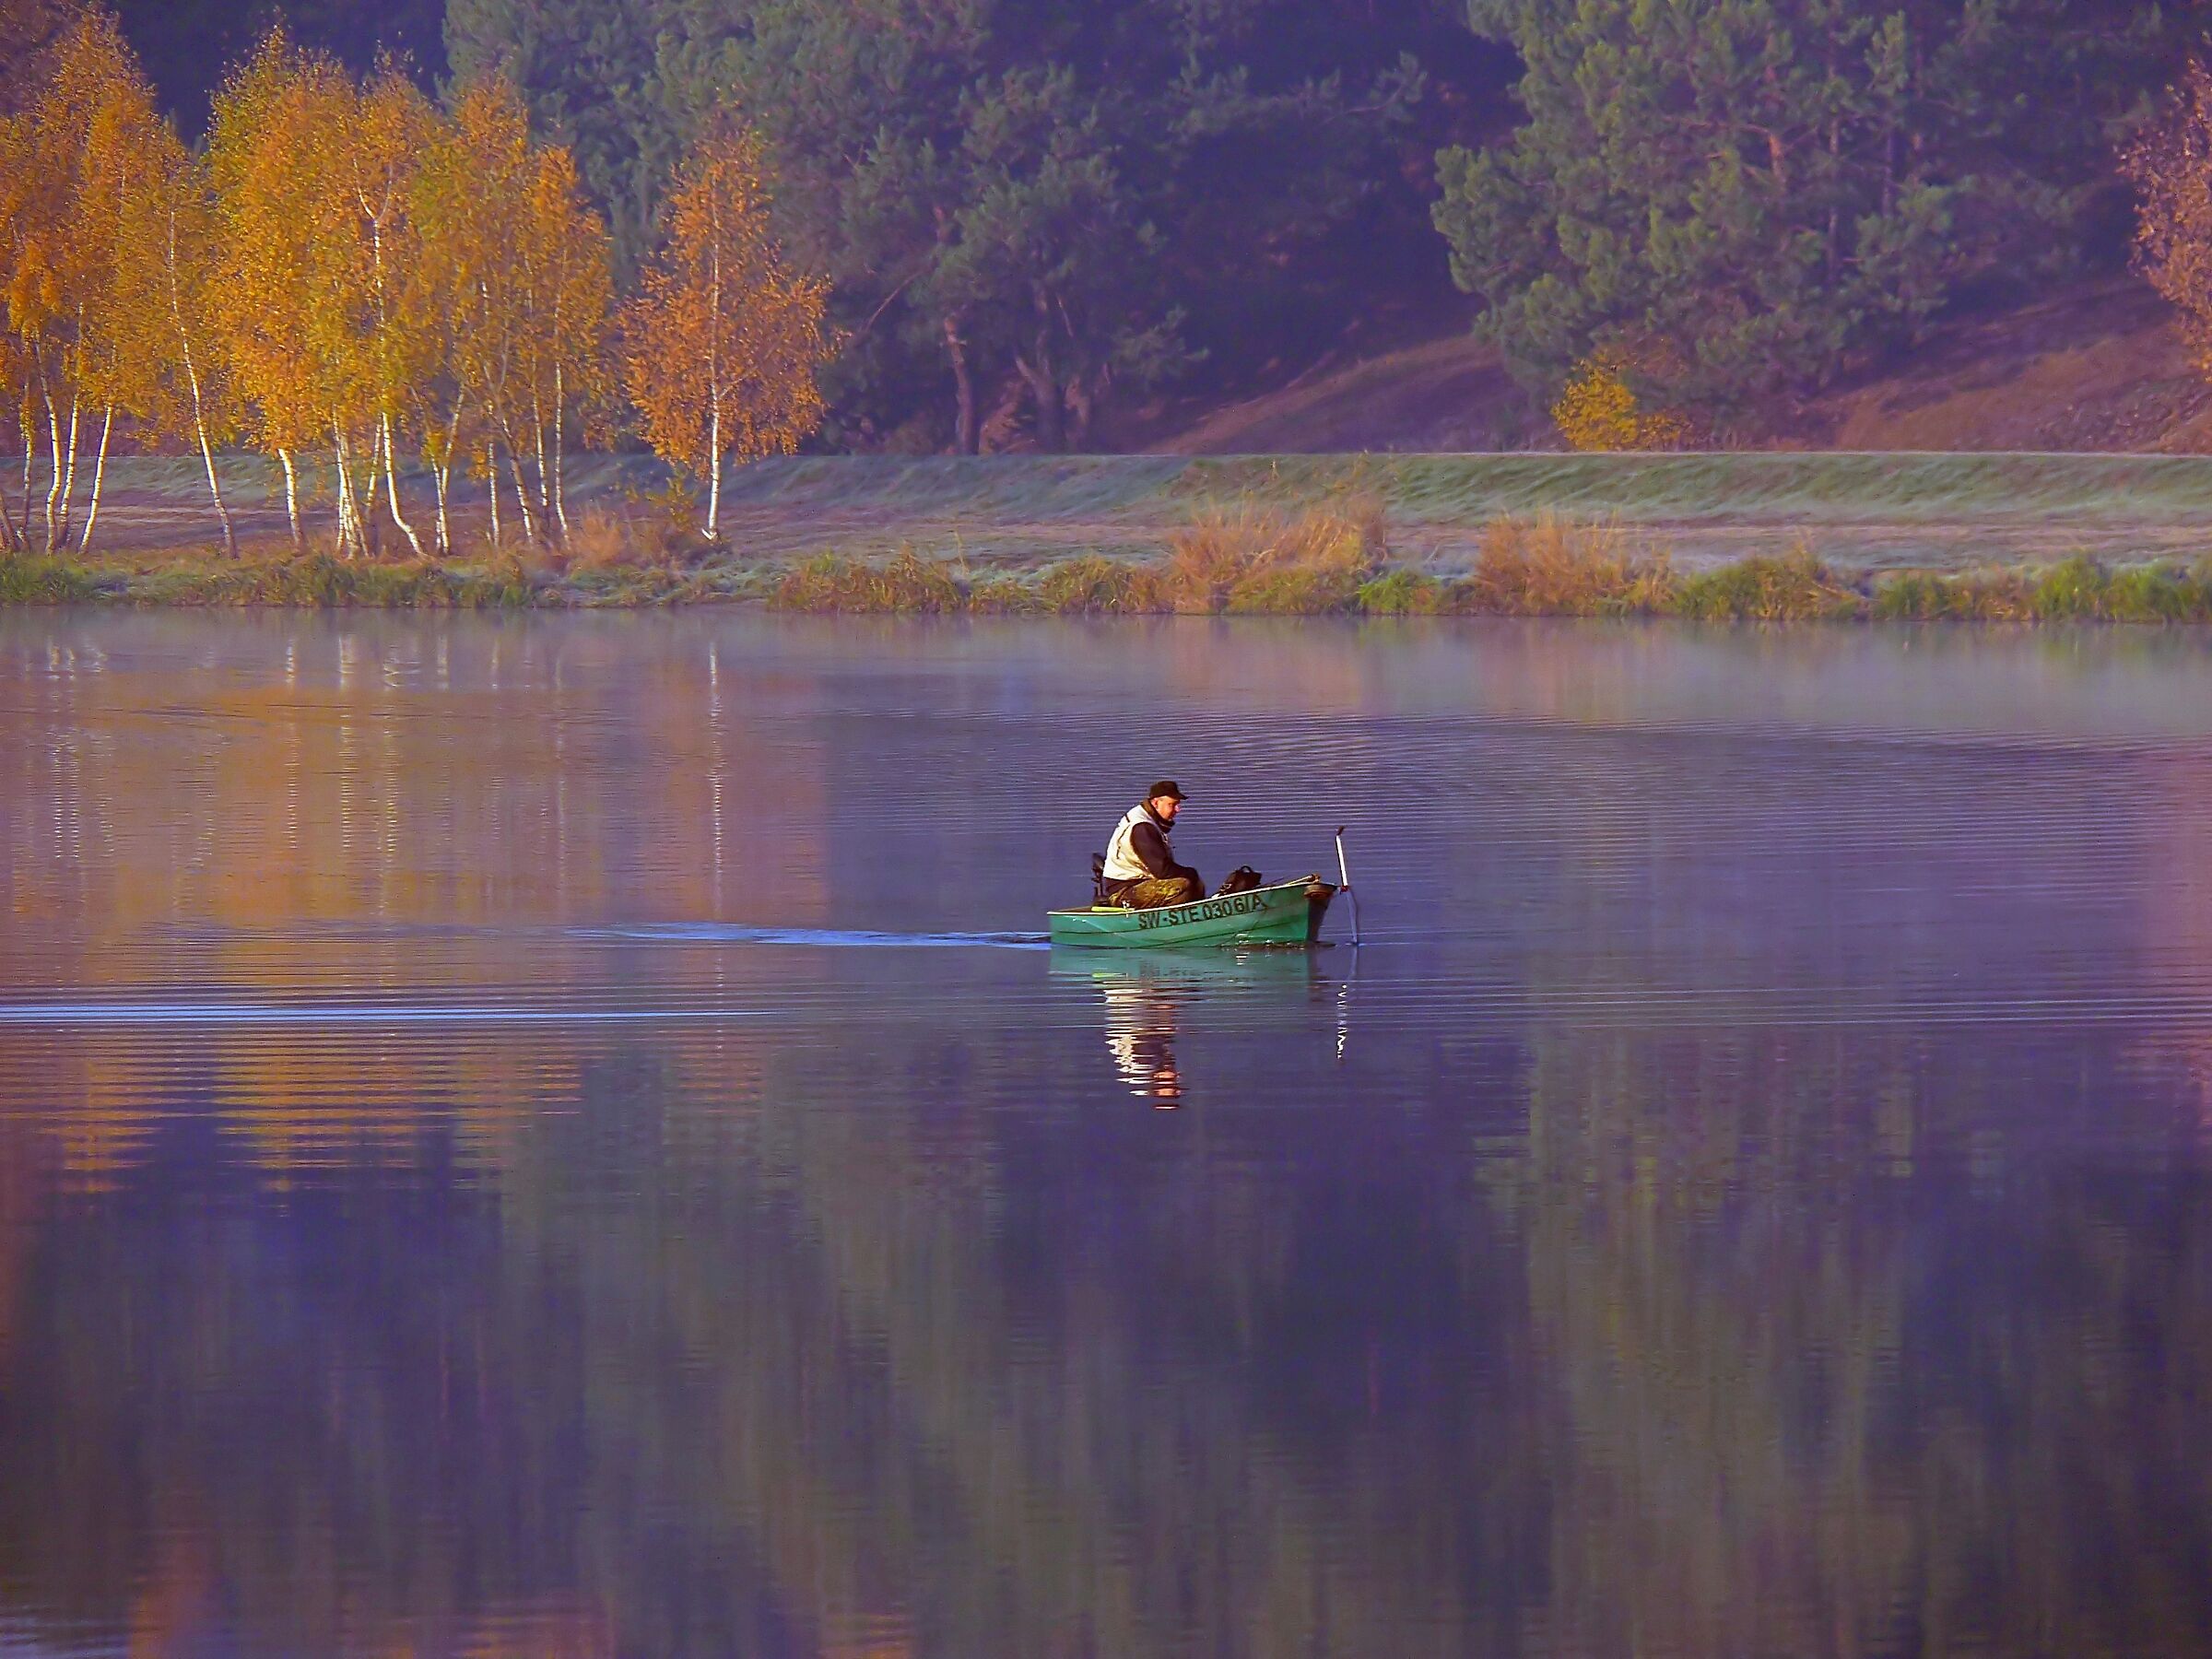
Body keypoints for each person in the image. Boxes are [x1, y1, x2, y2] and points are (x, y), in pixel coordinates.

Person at [1100, 781, 1204, 909]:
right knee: (1183, 885)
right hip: (1123, 891)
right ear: (1156, 803)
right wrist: (1191, 873)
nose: (1178, 809)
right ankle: (1166, 923)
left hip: (1135, 883)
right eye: (1172, 804)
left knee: (1192, 883)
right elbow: (1162, 871)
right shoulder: (1142, 827)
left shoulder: (1145, 817)